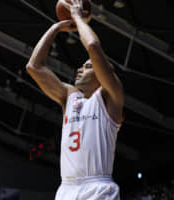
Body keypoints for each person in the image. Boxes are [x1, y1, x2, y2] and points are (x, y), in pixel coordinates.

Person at [26, 0, 124, 199]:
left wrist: (78, 17)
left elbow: (93, 46)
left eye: (88, 67)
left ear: (102, 74)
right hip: (66, 189)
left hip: (98, 187)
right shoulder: (70, 97)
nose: (79, 70)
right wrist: (56, 27)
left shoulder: (111, 96)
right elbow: (34, 67)